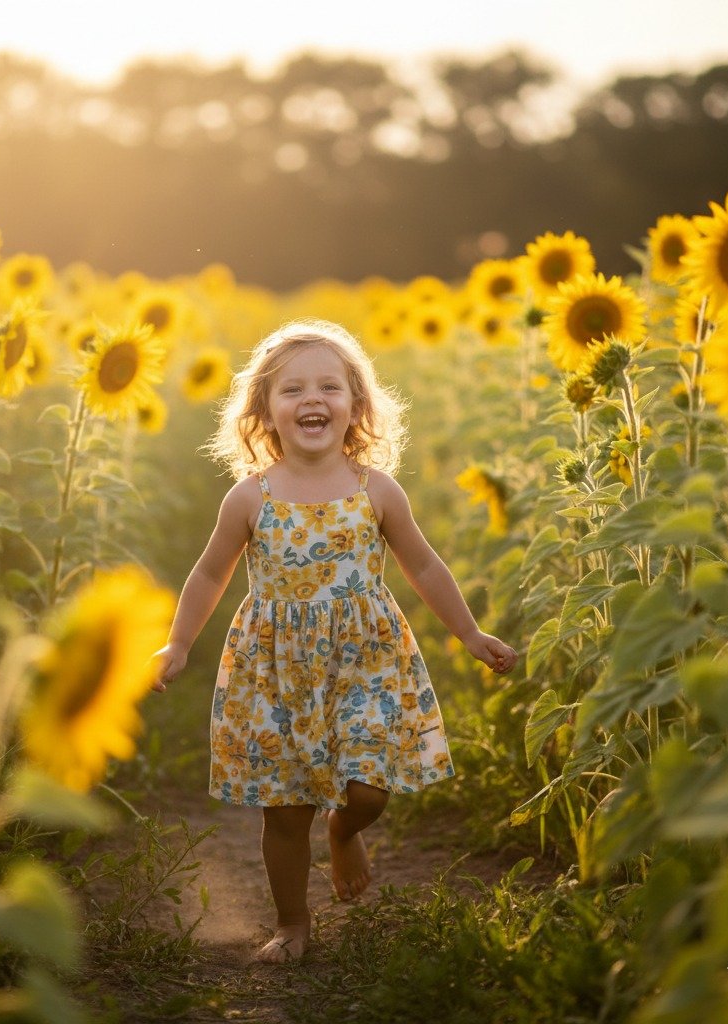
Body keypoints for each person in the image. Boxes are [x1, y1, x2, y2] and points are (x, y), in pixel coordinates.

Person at [153, 318, 517, 963]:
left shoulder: (377, 490)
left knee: (368, 791)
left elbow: (423, 565)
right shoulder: (250, 498)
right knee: (285, 810)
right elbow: (210, 572)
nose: (312, 399)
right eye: (292, 389)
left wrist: (468, 632)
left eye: (329, 386)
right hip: (277, 670)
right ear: (265, 409)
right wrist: (178, 644)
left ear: (355, 404)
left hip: (364, 660)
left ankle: (344, 831)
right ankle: (292, 923)